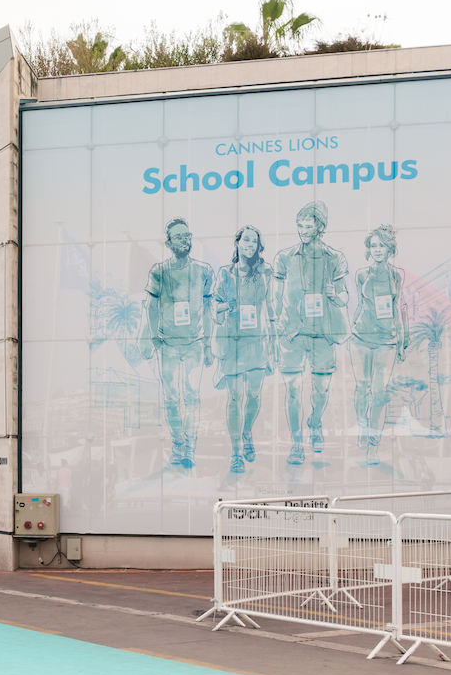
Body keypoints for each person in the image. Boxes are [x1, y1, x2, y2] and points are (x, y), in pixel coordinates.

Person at [271, 202, 349, 465]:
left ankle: (315, 422)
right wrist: (275, 326)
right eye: (300, 226)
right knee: (293, 391)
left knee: (321, 390)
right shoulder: (284, 257)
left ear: (320, 227)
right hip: (291, 333)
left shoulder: (334, 258)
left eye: (308, 226)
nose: (303, 231)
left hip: (323, 333)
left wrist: (335, 296)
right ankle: (296, 444)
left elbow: (344, 296)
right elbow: (275, 295)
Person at [141, 217, 214, 469]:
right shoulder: (159, 271)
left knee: (192, 397)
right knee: (172, 398)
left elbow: (207, 308)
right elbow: (151, 305)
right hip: (168, 345)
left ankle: (190, 448)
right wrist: (154, 339)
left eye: (187, 235)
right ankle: (177, 444)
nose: (185, 240)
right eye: (179, 237)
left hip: (194, 343)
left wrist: (207, 344)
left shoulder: (203, 270)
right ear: (169, 243)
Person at [212, 225, 275, 473]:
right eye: (246, 240)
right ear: (237, 243)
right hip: (234, 344)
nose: (250, 244)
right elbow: (214, 304)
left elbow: (271, 305)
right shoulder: (225, 274)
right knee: (235, 397)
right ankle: (236, 451)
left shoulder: (264, 273)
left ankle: (247, 430)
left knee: (254, 396)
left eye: (254, 242)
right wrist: (225, 307)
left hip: (257, 341)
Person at [350, 225, 409, 465]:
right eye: (373, 245)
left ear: (389, 248)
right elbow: (360, 305)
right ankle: (362, 424)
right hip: (361, 337)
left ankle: (373, 445)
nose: (377, 250)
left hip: (387, 340)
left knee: (379, 393)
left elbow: (398, 307)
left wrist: (403, 340)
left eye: (381, 245)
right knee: (361, 386)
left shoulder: (397, 274)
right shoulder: (361, 274)